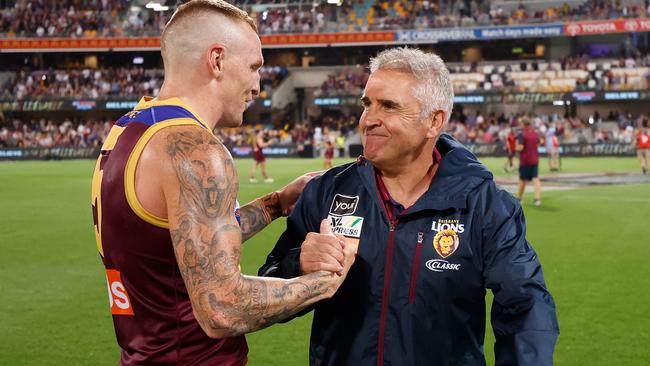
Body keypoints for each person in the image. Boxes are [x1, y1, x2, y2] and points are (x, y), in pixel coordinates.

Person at [90, 1, 356, 364]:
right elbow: (223, 309)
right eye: (253, 68)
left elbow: (188, 241)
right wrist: (324, 282)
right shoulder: (195, 149)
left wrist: (275, 203)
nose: (258, 86)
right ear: (216, 60)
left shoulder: (129, 129)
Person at [260, 47, 559, 365]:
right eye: (367, 104)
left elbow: (526, 309)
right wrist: (300, 268)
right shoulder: (326, 192)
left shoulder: (484, 206)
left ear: (434, 121)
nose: (369, 120)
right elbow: (270, 280)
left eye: (388, 106)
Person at [517, 118, 542, 206]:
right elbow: (539, 143)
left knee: (522, 180)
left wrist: (514, 148)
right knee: (535, 178)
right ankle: (537, 199)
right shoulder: (535, 133)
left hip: (525, 160)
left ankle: (519, 198)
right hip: (534, 159)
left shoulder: (521, 134)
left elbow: (521, 147)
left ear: (523, 124)